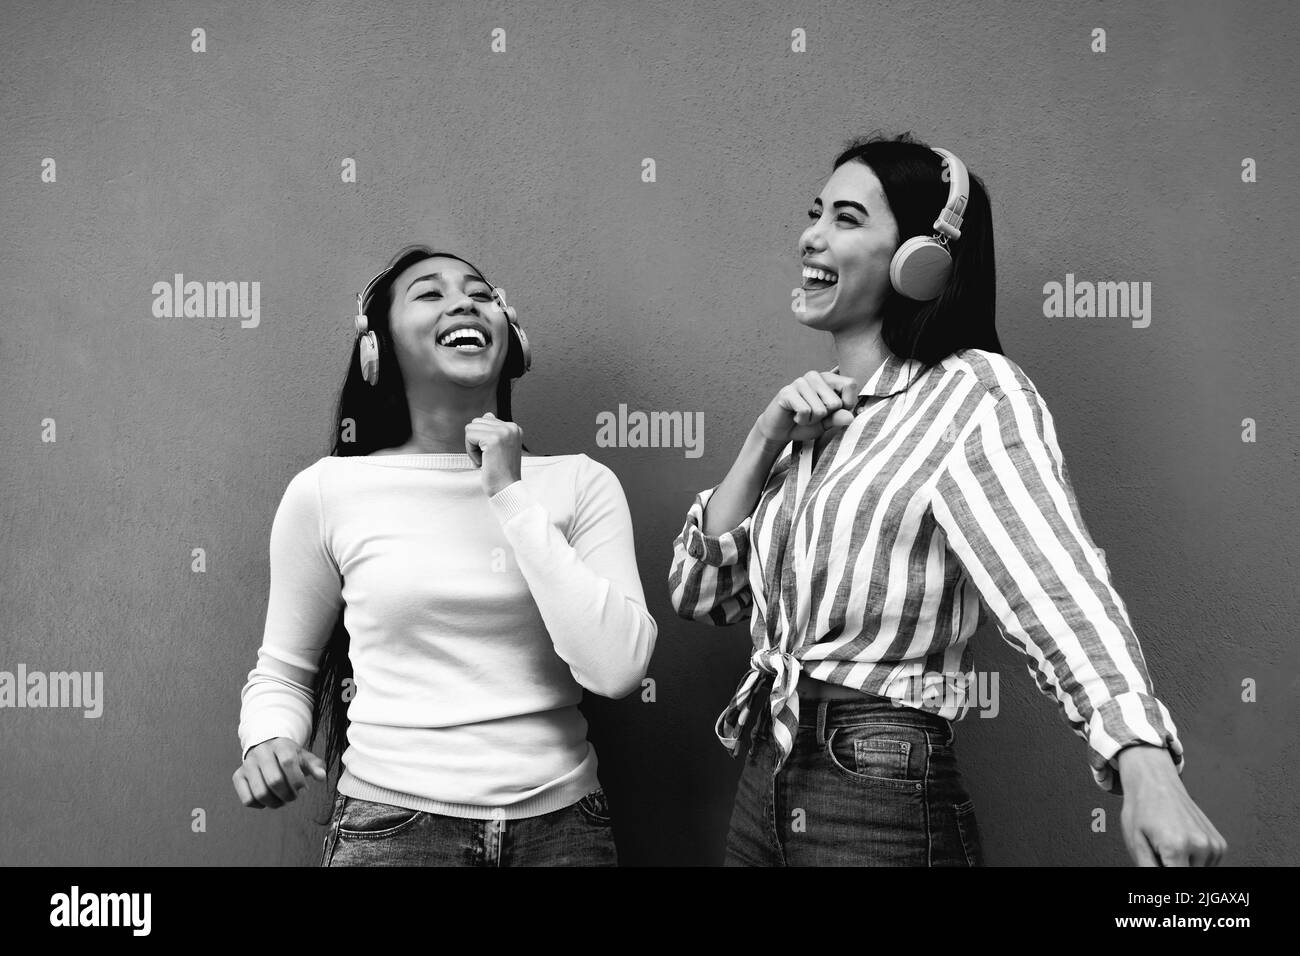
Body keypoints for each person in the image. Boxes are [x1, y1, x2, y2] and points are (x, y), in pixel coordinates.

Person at [668, 132, 1226, 867]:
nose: (811, 235)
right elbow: (697, 592)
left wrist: (1142, 759)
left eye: (846, 218)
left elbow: (1052, 580)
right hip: (767, 777)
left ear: (918, 261)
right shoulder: (815, 420)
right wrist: (764, 439)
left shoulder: (971, 394)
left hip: (873, 783)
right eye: (816, 212)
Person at [233, 245, 657, 866]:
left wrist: (510, 495)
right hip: (393, 831)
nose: (464, 302)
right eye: (429, 294)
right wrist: (267, 741)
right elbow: (283, 673)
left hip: (563, 833)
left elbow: (619, 669)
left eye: (481, 294)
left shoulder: (579, 484)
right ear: (375, 348)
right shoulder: (328, 491)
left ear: (512, 339)